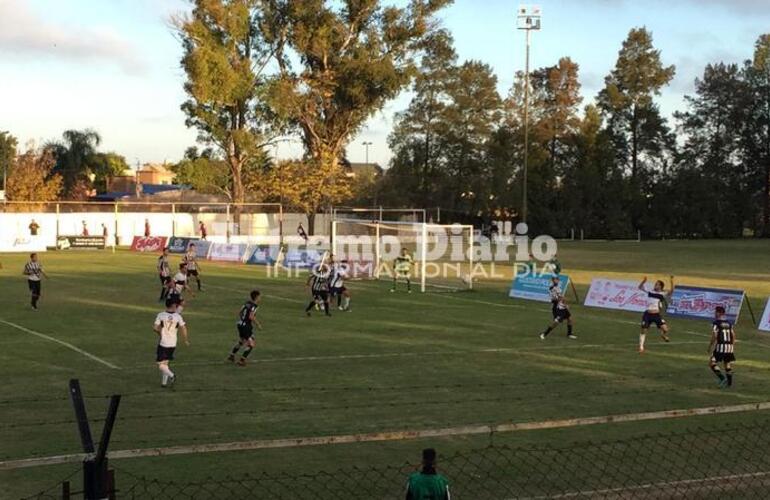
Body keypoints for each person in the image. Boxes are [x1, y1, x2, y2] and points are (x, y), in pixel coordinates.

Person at [153, 297, 189, 388]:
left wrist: (160, 334)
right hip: (173, 343)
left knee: (160, 364)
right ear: (173, 305)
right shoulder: (178, 316)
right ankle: (164, 383)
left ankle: (172, 375)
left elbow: (155, 328)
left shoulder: (161, 315)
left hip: (164, 343)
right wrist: (185, 339)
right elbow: (183, 328)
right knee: (165, 363)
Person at [638, 275, 674, 353]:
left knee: (665, 329)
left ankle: (663, 335)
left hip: (656, 315)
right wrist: (644, 281)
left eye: (657, 284)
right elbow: (640, 287)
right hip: (647, 314)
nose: (655, 285)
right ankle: (641, 347)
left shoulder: (662, 294)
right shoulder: (650, 291)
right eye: (655, 284)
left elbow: (671, 291)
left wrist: (671, 281)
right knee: (644, 330)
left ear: (660, 286)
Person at [228, 290, 263, 366]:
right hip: (246, 327)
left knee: (242, 341)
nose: (260, 298)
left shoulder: (247, 303)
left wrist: (243, 319)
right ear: (256, 297)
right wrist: (258, 324)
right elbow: (251, 316)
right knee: (251, 344)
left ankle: (231, 355)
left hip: (240, 324)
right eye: (260, 297)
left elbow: (239, 312)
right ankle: (242, 360)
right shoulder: (254, 306)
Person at [539, 276, 577, 340]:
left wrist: (565, 304)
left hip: (562, 306)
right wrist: (559, 299)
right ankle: (544, 334)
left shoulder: (559, 288)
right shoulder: (551, 288)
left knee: (569, 319)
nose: (556, 281)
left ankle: (569, 334)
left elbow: (561, 297)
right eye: (554, 280)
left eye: (557, 280)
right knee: (556, 322)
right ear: (552, 281)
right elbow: (553, 299)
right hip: (557, 308)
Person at [708, 306, 736, 388]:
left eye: (715, 312)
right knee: (727, 364)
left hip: (721, 346)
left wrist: (710, 346)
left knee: (711, 363)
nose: (714, 313)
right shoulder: (729, 323)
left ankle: (722, 378)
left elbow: (715, 335)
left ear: (719, 313)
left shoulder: (716, 323)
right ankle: (729, 384)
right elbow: (733, 335)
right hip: (729, 347)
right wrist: (732, 346)